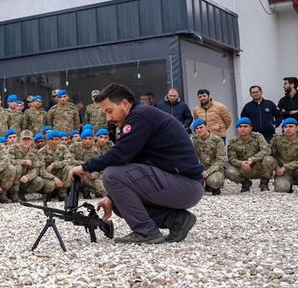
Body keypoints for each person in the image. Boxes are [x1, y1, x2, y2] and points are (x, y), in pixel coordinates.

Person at [68, 83, 205, 244]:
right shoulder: (140, 116)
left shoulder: (139, 116)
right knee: (119, 202)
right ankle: (178, 220)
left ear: (125, 104)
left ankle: (146, 233)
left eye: (109, 111)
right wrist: (110, 197)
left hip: (186, 185)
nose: (108, 118)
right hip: (181, 185)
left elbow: (120, 155)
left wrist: (85, 167)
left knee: (112, 175)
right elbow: (132, 159)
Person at [224, 118, 276, 192]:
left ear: (250, 128)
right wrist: (241, 163)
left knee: (269, 159)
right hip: (243, 168)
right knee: (229, 171)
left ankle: (264, 183)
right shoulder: (233, 142)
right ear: (237, 129)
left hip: (257, 166)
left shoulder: (258, 137)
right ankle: (245, 183)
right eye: (240, 127)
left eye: (245, 126)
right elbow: (232, 159)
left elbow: (266, 150)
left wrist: (252, 160)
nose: (243, 129)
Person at [269, 118, 298, 194]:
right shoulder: (277, 139)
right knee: (281, 189)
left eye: (291, 126)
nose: (288, 129)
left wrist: (286, 167)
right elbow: (271, 155)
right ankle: (288, 185)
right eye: (285, 127)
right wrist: (277, 168)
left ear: (297, 128)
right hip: (283, 172)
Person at [190, 119, 226, 195]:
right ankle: (204, 184)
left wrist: (208, 171)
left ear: (206, 127)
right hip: (199, 168)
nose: (199, 130)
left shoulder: (217, 140)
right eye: (196, 129)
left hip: (214, 168)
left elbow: (221, 160)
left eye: (201, 127)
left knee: (215, 181)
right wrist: (198, 169)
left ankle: (212, 185)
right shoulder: (193, 140)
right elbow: (190, 156)